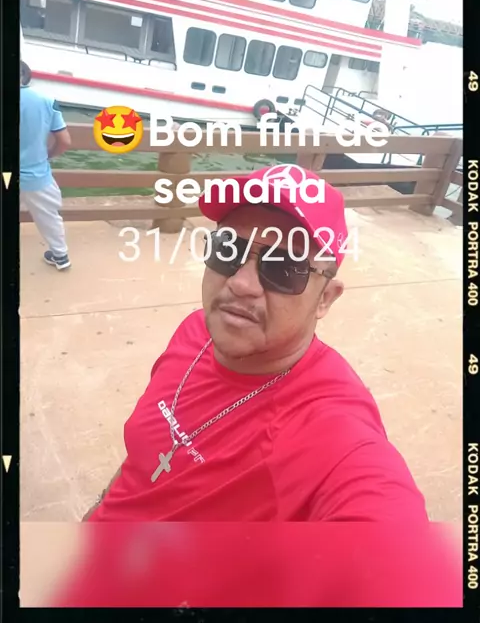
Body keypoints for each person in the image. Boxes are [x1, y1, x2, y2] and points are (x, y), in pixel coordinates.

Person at [83, 164, 428, 523]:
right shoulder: (196, 329)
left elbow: (386, 528)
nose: (241, 284)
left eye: (283, 268)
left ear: (325, 298)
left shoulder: (331, 431)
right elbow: (145, 456)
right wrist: (101, 506)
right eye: (228, 250)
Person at [20, 60, 72, 270]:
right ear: (25, 76)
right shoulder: (47, 101)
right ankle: (60, 256)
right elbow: (64, 141)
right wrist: (47, 156)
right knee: (49, 216)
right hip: (36, 175)